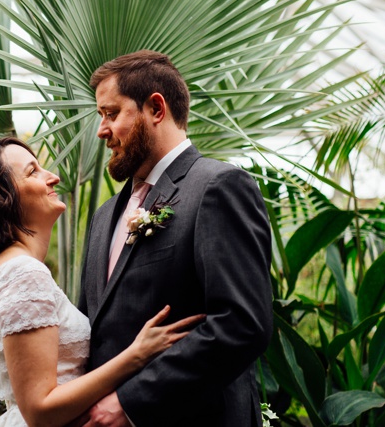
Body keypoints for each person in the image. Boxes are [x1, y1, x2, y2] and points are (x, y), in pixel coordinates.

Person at [0, 137, 203, 427]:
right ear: (3, 199)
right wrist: (136, 355)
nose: (53, 176)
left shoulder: (13, 268)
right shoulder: (22, 273)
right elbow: (39, 409)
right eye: (32, 171)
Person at [78, 50, 273, 427]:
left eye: (111, 113)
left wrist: (129, 404)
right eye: (101, 116)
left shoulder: (218, 187)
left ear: (155, 108)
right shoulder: (104, 216)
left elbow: (241, 324)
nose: (102, 130)